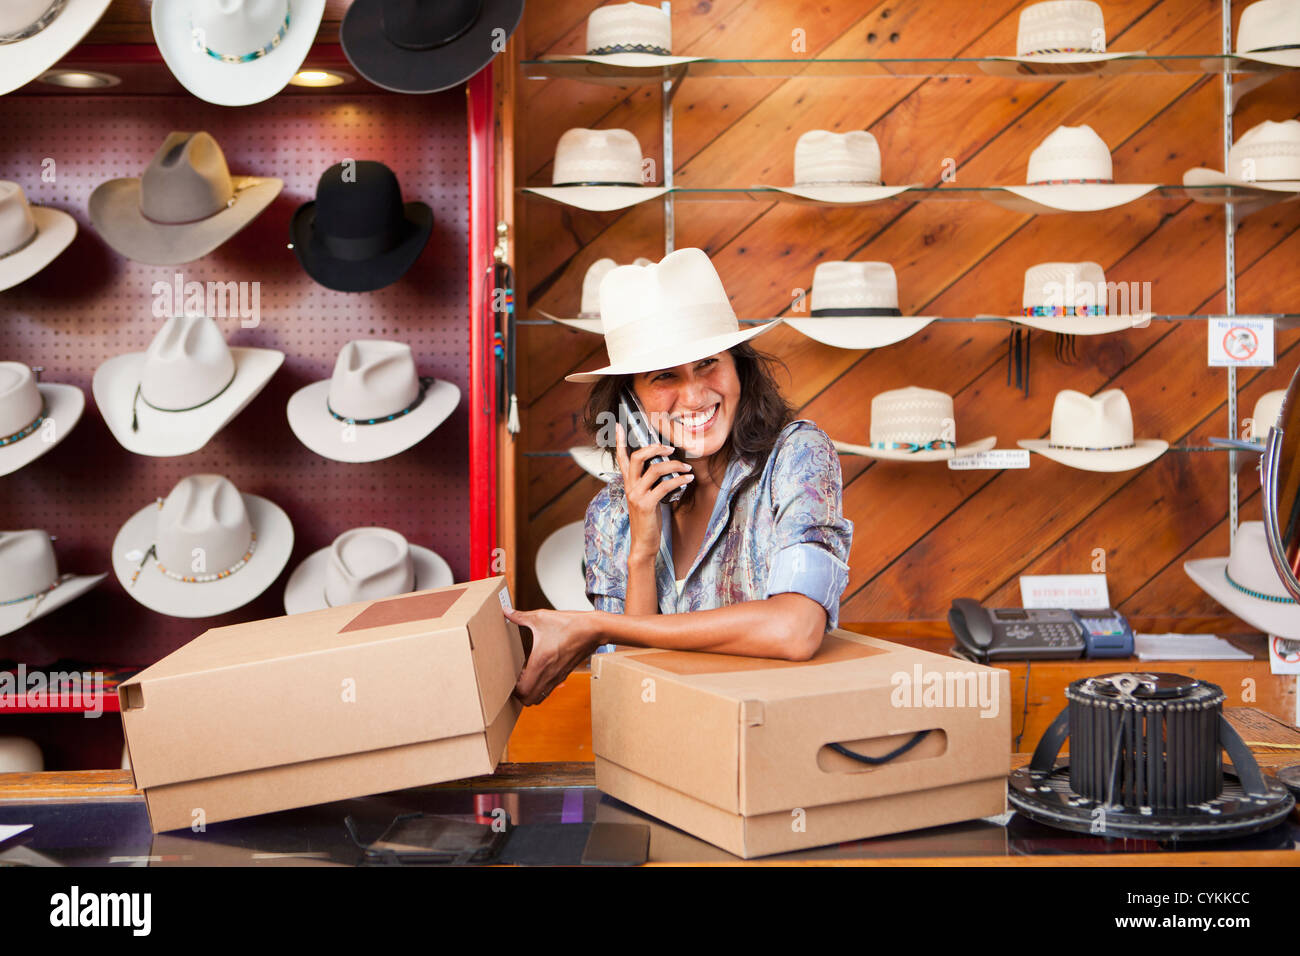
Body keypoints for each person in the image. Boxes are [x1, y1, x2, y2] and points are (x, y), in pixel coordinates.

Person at [505, 248, 853, 705]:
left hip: (773, 743)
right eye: (665, 376)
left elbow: (795, 630)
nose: (693, 396)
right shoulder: (611, 517)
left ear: (738, 367)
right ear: (630, 404)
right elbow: (630, 695)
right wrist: (641, 556)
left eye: (708, 362)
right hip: (665, 750)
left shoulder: (797, 458)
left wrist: (596, 626)